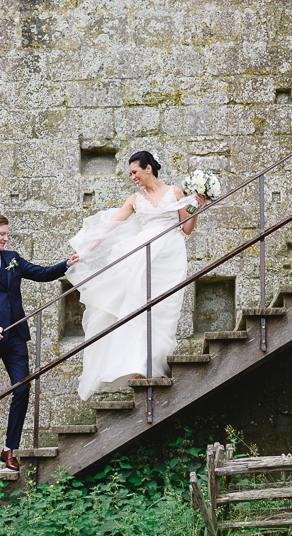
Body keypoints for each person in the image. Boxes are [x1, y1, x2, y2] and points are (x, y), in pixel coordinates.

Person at [67, 151, 206, 401]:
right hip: (142, 255)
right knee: (139, 306)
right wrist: (85, 251)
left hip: (171, 256)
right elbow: (110, 226)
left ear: (148, 168)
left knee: (166, 309)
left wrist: (199, 204)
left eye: (135, 172)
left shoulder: (175, 192)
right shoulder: (134, 199)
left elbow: (186, 229)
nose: (132, 177)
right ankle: (142, 368)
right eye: (131, 173)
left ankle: (156, 364)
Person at [0, 214, 80, 472]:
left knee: (22, 387)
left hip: (15, 335)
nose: (6, 238)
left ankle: (9, 449)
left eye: (7, 234)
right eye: (2, 233)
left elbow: (40, 273)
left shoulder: (12, 257)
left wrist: (66, 264)